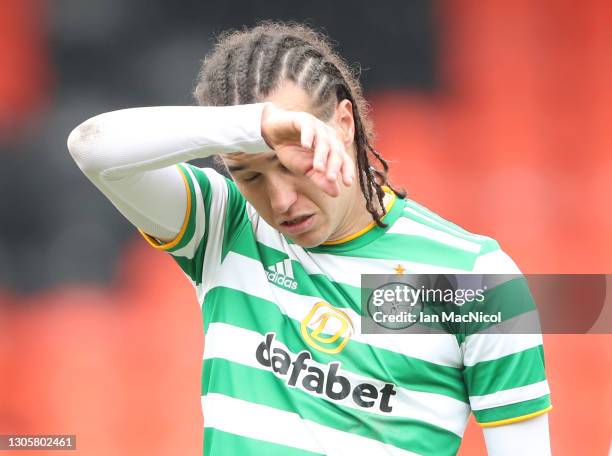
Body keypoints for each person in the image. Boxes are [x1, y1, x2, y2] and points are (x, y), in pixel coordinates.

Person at [67, 22, 551, 456]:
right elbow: (91, 148)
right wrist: (255, 128)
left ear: (344, 124)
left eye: (291, 161)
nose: (279, 202)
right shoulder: (226, 225)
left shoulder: (476, 279)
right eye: (248, 174)